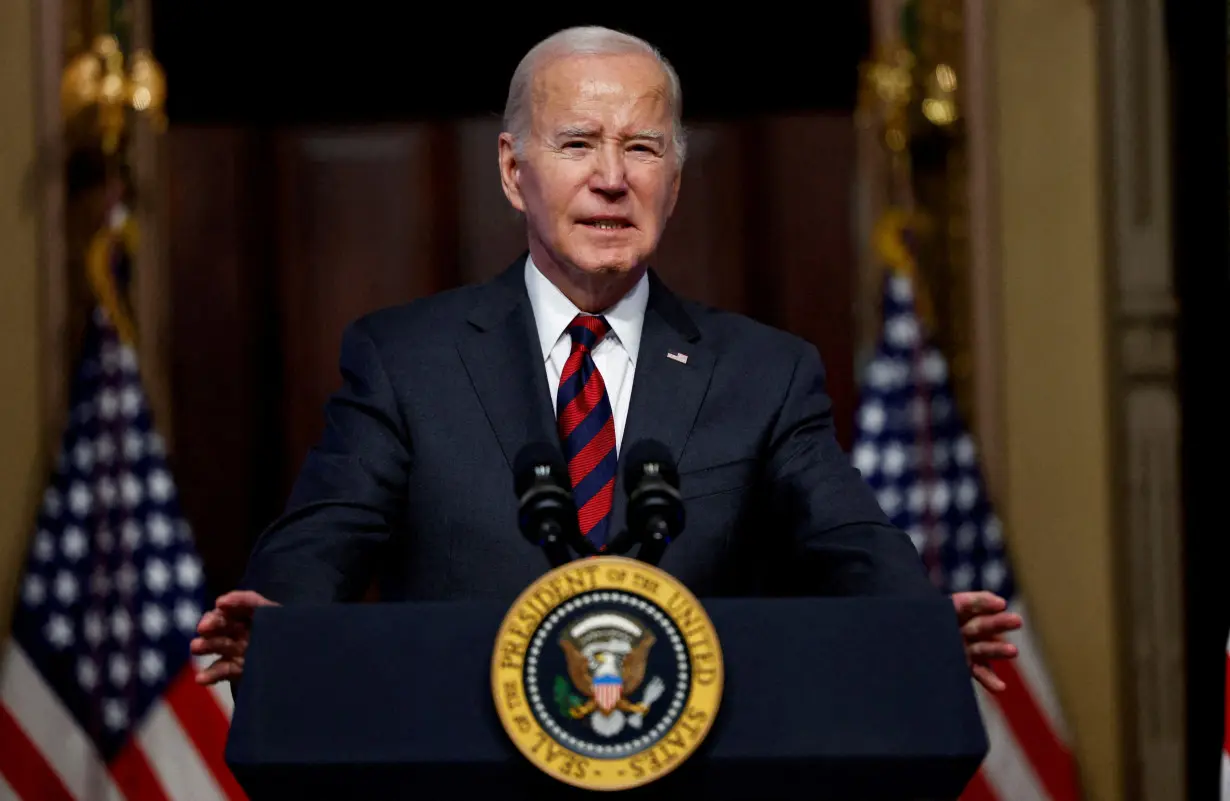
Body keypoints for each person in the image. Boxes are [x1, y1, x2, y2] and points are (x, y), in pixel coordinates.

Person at [193, 26, 1020, 693]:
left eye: (644, 148)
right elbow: (325, 538)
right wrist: (281, 619)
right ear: (515, 172)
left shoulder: (764, 373)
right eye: (580, 143)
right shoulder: (407, 361)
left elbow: (850, 539)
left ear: (677, 179)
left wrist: (918, 622)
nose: (613, 179)